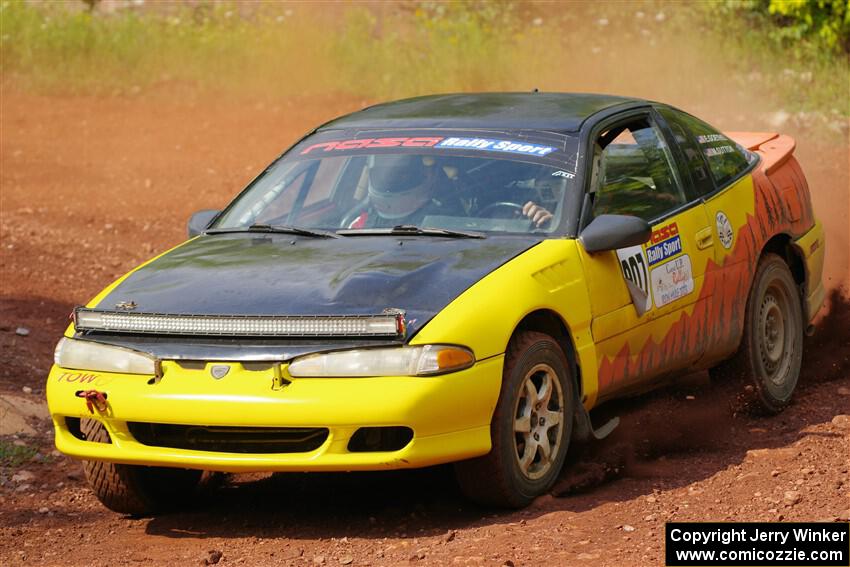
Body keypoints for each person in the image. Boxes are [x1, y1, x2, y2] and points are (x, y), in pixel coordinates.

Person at [343, 154, 553, 229]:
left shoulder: (456, 210)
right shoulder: (357, 224)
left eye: (402, 175)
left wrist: (544, 221)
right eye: (387, 174)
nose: (392, 180)